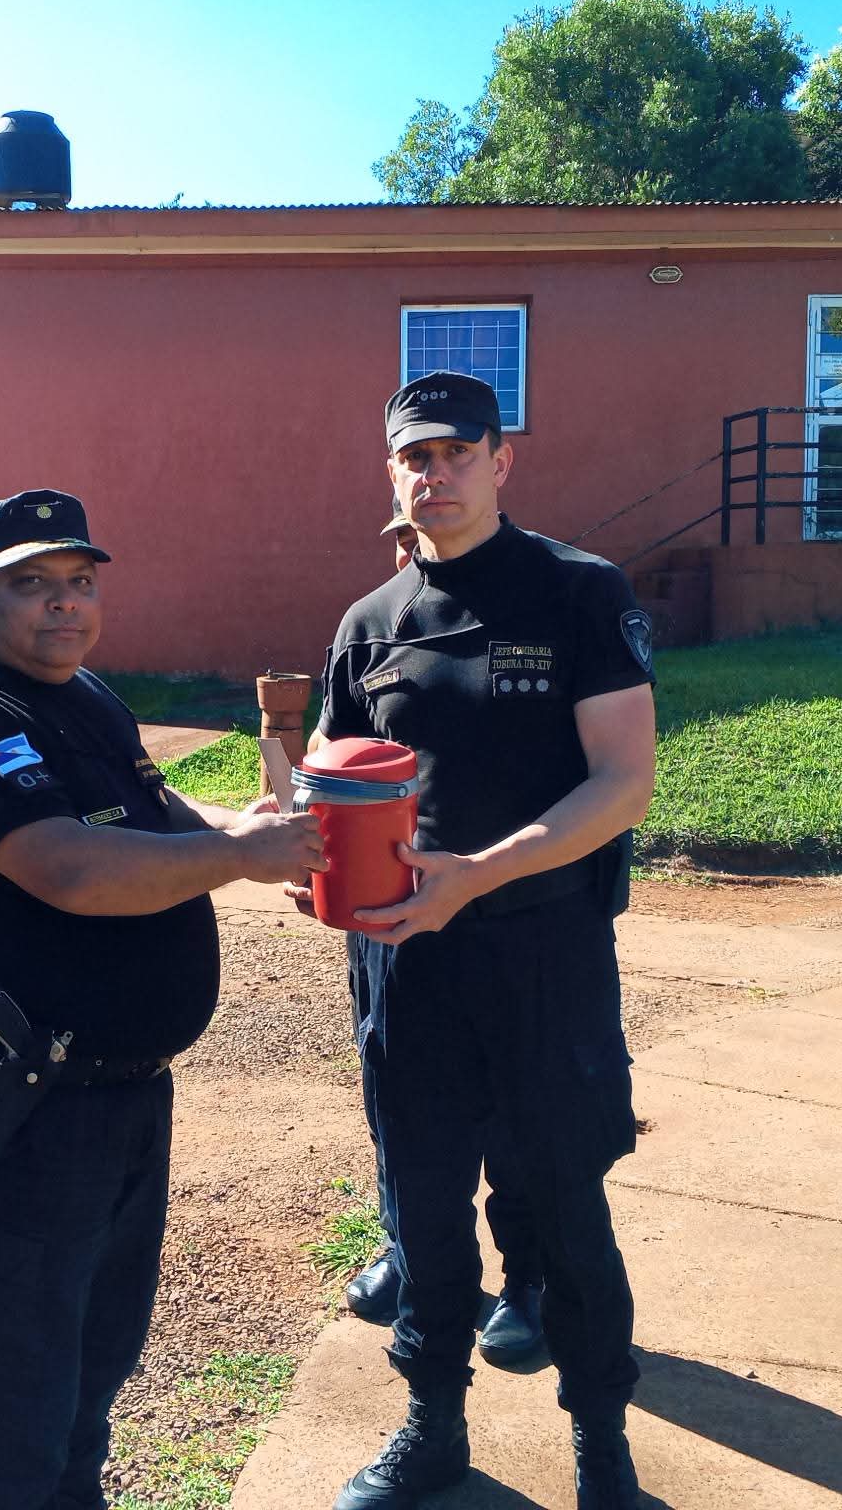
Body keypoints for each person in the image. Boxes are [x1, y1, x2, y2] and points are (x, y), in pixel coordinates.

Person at [0, 489, 324, 1510]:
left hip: (117, 1096)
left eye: (79, 584)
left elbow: (156, 813)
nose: (63, 606)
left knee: (92, 1362)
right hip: (26, 1103)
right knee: (13, 1386)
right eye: (30, 585)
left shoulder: (83, 697)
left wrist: (236, 825)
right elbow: (69, 868)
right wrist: (237, 857)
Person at [313, 373, 658, 1510]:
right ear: (392, 473)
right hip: (407, 965)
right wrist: (300, 850)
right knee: (419, 1201)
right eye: (414, 456)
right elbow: (331, 778)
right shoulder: (368, 624)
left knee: (562, 1200)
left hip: (538, 951)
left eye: (458, 451)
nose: (436, 473)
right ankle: (432, 1427)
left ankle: (600, 1439)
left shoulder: (576, 593)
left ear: (501, 461)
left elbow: (621, 784)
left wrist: (481, 876)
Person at [340, 515, 546, 1370]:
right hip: (395, 921)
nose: (408, 555)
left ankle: (531, 1279)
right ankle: (410, 1249)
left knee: (516, 1111)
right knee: (399, 1102)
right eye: (396, 542)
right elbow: (338, 754)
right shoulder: (373, 628)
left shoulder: (542, 611)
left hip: (513, 918)